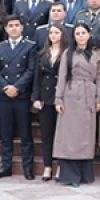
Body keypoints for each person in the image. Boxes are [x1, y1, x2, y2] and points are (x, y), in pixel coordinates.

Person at [0, 15, 38, 180]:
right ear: (6, 28)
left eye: (17, 25)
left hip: (21, 95)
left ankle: (28, 167)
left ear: (22, 27)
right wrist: (5, 87)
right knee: (6, 133)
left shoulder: (30, 46)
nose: (14, 28)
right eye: (10, 25)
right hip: (4, 95)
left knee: (25, 133)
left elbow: (31, 70)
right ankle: (6, 166)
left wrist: (17, 87)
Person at [54, 24, 100, 187]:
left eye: (83, 33)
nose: (81, 36)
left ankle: (84, 175)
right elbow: (62, 77)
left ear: (89, 34)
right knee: (70, 135)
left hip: (89, 95)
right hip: (71, 95)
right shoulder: (68, 53)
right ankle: (70, 175)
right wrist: (58, 99)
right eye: (77, 34)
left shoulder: (97, 53)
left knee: (86, 135)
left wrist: (99, 98)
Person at [31, 23, 66, 182]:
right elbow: (37, 77)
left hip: (61, 96)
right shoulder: (42, 53)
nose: (53, 35)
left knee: (61, 133)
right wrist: (36, 98)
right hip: (45, 96)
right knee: (46, 134)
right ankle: (47, 166)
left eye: (56, 32)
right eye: (51, 33)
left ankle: (60, 166)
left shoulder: (67, 53)